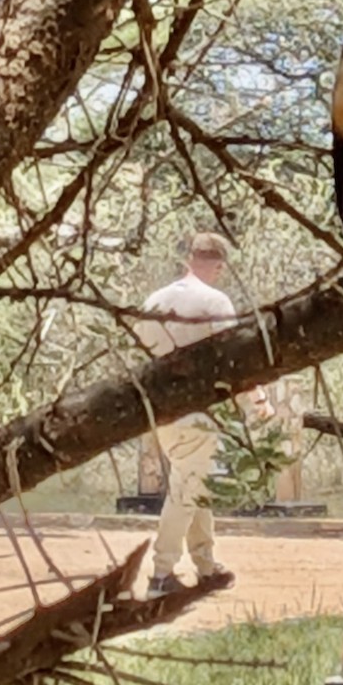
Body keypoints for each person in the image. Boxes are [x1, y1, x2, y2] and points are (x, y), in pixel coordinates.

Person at [134, 231, 270, 598]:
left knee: (194, 482)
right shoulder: (215, 302)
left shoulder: (154, 302)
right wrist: (255, 402)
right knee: (185, 488)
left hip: (163, 410)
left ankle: (206, 565)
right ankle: (161, 573)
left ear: (190, 257)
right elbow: (233, 358)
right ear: (218, 264)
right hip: (200, 411)